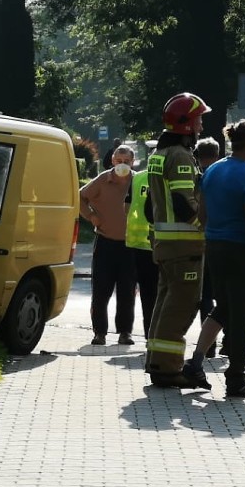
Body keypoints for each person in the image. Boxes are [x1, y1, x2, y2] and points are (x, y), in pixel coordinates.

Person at [187, 120, 245, 398]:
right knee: (241, 318)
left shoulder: (213, 171)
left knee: (222, 309)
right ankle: (236, 380)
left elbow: (203, 215)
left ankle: (195, 362)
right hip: (240, 251)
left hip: (215, 249)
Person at [144, 93, 211, 389]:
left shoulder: (158, 156)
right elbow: (184, 205)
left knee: (164, 303)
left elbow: (150, 207)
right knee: (181, 306)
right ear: (186, 123)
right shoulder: (181, 157)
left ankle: (156, 362)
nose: (201, 124)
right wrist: (204, 227)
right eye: (198, 118)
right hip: (185, 247)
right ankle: (168, 369)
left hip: (164, 245)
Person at [79, 144, 136, 346]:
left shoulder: (137, 181)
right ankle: (99, 333)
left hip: (130, 244)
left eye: (126, 162)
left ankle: (125, 332)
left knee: (127, 291)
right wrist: (90, 216)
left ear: (133, 162)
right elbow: (80, 197)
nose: (122, 165)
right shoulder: (103, 179)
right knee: (101, 290)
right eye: (119, 161)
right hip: (105, 242)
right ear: (112, 161)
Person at [193, 137, 224, 358]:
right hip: (221, 240)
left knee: (204, 296)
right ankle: (227, 342)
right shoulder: (222, 175)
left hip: (198, 241)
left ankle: (208, 346)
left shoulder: (195, 177)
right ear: (217, 154)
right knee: (224, 297)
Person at [124, 168, 158, 339]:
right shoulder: (170, 175)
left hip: (139, 244)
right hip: (165, 242)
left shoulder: (137, 178)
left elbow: (126, 207)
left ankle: (149, 336)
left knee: (147, 294)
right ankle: (162, 336)